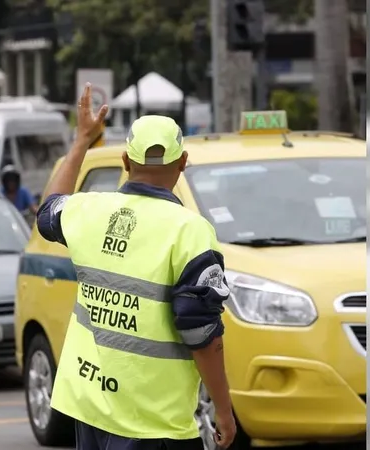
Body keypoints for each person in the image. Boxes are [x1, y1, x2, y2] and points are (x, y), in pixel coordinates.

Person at [36, 83, 237, 450]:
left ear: (126, 164)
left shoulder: (88, 211)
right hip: (152, 421)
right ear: (183, 163)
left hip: (90, 404)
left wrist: (82, 141)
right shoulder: (189, 231)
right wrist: (223, 409)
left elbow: (48, 211)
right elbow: (201, 332)